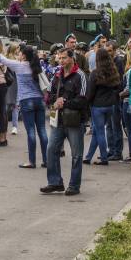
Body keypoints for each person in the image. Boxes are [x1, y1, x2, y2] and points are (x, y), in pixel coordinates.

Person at [0, 43, 48, 169]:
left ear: (24, 55)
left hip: (26, 101)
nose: (19, 54)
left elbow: (1, 58)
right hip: (39, 101)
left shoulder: (19, 66)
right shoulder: (37, 67)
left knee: (31, 132)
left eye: (20, 53)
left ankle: (32, 161)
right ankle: (46, 160)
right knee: (42, 131)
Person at [43, 48, 87, 195]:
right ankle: (55, 182)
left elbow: (83, 99)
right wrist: (52, 101)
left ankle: (74, 186)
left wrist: (65, 102)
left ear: (71, 58)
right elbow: (48, 94)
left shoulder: (80, 75)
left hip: (75, 120)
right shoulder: (57, 74)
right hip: (58, 120)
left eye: (64, 58)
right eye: (59, 58)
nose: (61, 61)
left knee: (76, 155)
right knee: (51, 150)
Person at [84, 48, 121, 166]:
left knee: (99, 132)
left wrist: (85, 104)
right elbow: (117, 87)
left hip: (97, 106)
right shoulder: (113, 71)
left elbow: (90, 92)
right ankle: (88, 157)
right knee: (97, 131)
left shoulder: (95, 73)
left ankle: (104, 158)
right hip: (110, 105)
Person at [105, 41, 125, 160]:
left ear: (115, 50)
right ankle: (111, 149)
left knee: (115, 125)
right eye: (106, 51)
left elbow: (119, 81)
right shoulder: (107, 61)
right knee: (108, 125)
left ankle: (117, 152)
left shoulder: (118, 61)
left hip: (114, 97)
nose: (108, 53)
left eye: (110, 51)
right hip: (106, 98)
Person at [4, 42, 20, 135]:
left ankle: (14, 126)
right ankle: (5, 126)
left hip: (14, 83)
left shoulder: (18, 58)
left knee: (14, 106)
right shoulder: (11, 59)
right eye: (17, 48)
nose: (19, 50)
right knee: (10, 106)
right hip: (11, 82)